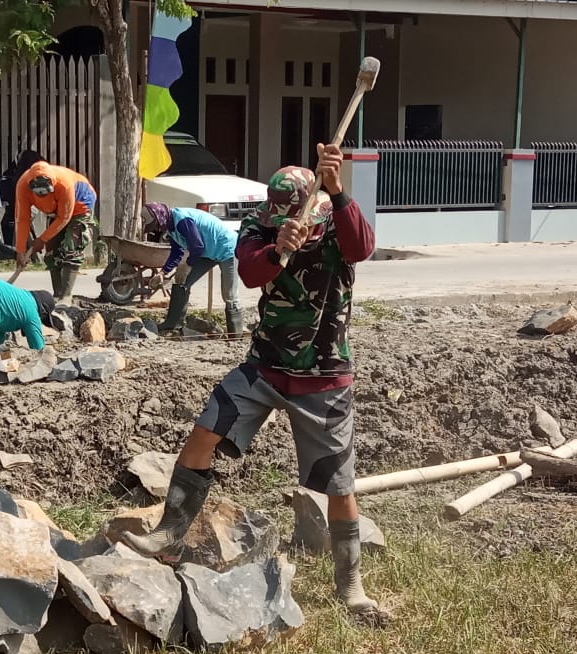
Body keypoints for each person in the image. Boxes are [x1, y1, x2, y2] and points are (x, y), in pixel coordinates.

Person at [121, 143, 384, 620]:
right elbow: (249, 271)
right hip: (264, 365)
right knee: (206, 430)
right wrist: (278, 247)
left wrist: (338, 190)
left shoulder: (335, 223)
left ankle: (351, 585)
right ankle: (169, 537)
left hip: (323, 375)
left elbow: (361, 248)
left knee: (339, 485)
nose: (284, 221)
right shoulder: (258, 227)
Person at [141, 202, 244, 335]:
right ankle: (172, 325)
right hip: (208, 251)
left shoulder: (182, 221)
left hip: (227, 248)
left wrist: (188, 265)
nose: (156, 229)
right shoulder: (170, 227)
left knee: (229, 294)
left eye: (155, 225)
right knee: (181, 281)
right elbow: (177, 252)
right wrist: (163, 272)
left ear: (160, 217)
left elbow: (197, 246)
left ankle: (235, 334)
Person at [14, 160, 98, 303]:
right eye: (39, 194)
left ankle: (66, 296)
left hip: (80, 205)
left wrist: (42, 239)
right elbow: (22, 219)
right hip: (55, 211)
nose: (42, 196)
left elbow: (64, 218)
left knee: (72, 247)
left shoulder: (64, 185)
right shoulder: (23, 185)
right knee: (52, 249)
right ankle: (57, 294)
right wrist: (20, 251)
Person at [0, 149, 44, 246]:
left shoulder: (17, 175)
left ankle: (18, 250)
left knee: (16, 234)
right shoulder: (38, 173)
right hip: (28, 209)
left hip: (17, 211)